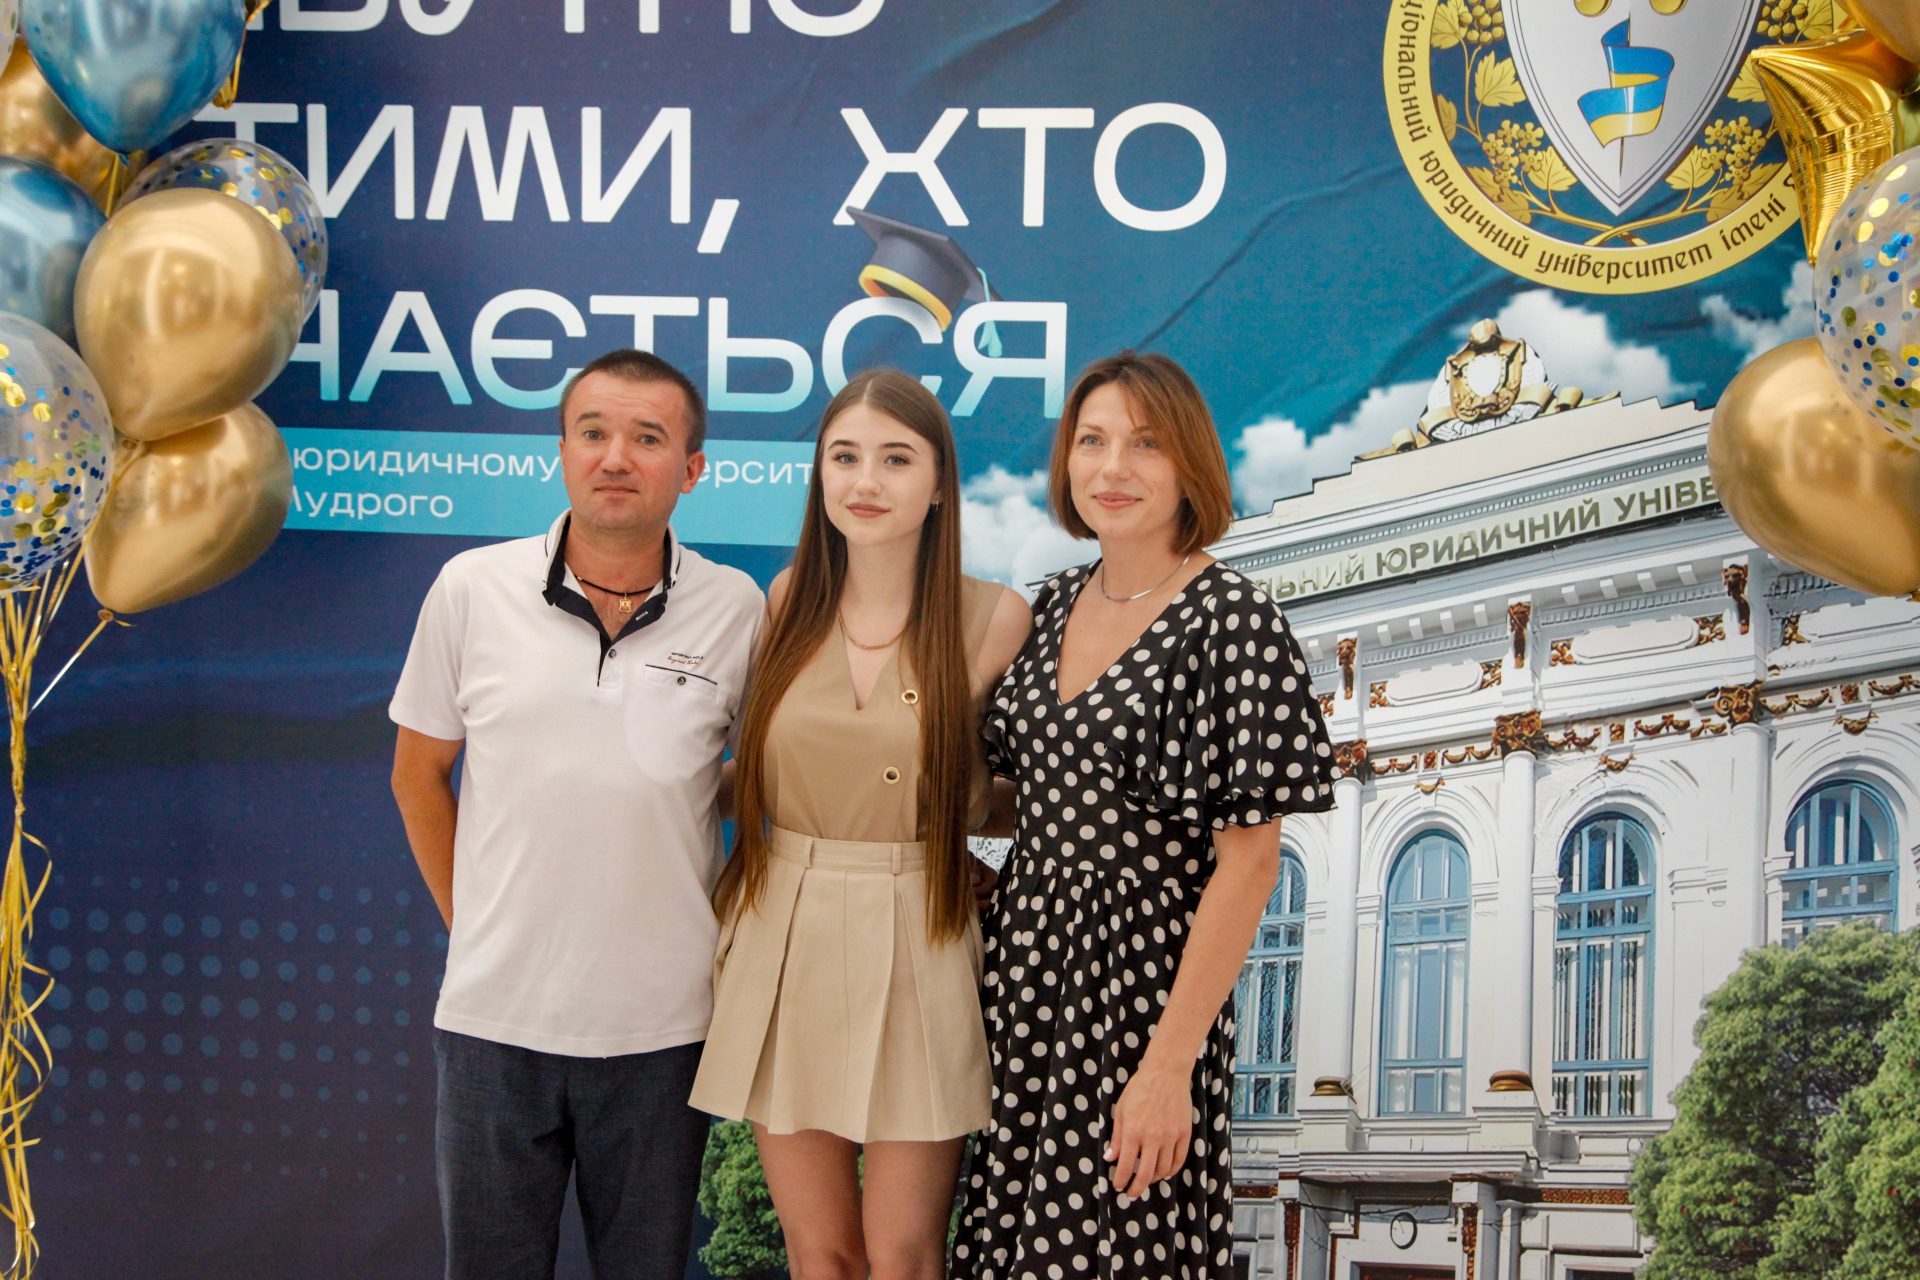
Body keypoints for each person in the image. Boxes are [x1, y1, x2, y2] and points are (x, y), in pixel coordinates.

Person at [951, 351, 1336, 1279]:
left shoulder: (1232, 619)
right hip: (1022, 983)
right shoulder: (1046, 606)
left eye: (1146, 444)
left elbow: (1249, 865)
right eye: (1092, 441)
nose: (1113, 468)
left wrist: (1168, 1068)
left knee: (1112, 1250)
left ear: (1190, 463)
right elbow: (1026, 793)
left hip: (1139, 997)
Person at [388, 349, 765, 1279]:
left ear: (692, 468)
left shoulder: (736, 608)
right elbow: (418, 775)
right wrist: (474, 924)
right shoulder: (471, 588)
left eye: (648, 438)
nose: (615, 457)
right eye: (593, 433)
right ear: (560, 451)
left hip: (665, 1032)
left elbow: (763, 792)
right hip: (493, 1023)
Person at [689, 369, 1030, 1280]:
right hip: (784, 924)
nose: (866, 481)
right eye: (844, 457)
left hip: (921, 926)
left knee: (904, 1255)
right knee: (820, 1254)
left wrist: (967, 844)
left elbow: (1012, 789)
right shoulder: (786, 597)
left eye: (895, 459)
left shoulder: (996, 617)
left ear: (940, 482)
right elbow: (758, 777)